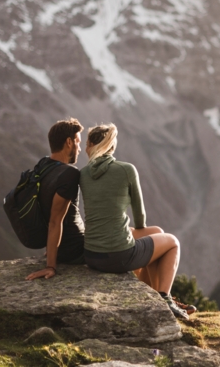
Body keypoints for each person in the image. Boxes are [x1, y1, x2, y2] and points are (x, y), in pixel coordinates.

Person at [79, 123, 189, 320]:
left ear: (90, 146)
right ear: (112, 147)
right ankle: (164, 298)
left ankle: (151, 295)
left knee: (157, 231)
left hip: (92, 255)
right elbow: (140, 219)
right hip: (118, 256)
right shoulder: (126, 170)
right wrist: (130, 228)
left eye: (87, 144)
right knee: (172, 242)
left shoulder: (83, 174)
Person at [26, 118, 86, 280]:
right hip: (77, 250)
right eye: (78, 142)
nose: (79, 149)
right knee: (152, 237)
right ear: (69, 142)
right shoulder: (69, 174)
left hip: (62, 248)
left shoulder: (42, 166)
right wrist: (50, 267)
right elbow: (55, 221)